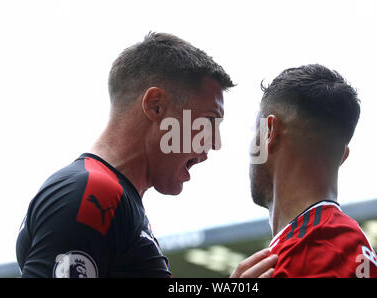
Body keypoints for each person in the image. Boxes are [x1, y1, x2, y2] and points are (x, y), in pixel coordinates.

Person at [16, 32, 277, 278]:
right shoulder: (92, 194)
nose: (215, 144)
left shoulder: (112, 200)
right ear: (156, 106)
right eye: (209, 121)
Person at [249, 64, 377, 278]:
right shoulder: (341, 243)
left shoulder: (311, 252)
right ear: (342, 157)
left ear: (269, 133)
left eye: (254, 132)